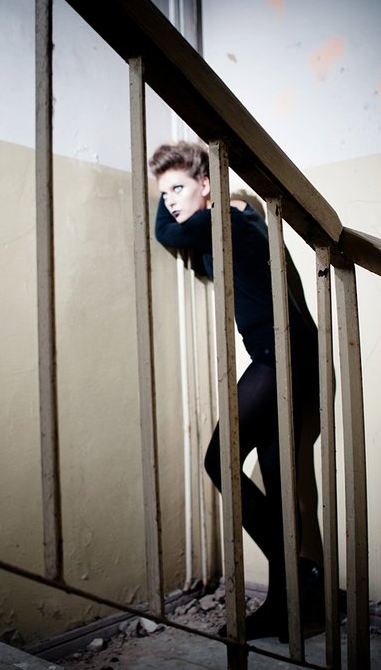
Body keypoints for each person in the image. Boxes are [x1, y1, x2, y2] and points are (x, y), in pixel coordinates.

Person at [149, 140, 324, 641]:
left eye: (177, 188)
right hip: (289, 355)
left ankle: (301, 573)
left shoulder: (225, 217)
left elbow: (165, 233)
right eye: (163, 193)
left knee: (218, 460)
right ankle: (290, 604)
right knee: (279, 484)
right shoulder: (234, 220)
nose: (170, 202)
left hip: (279, 355)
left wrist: (183, 209)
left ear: (206, 183)